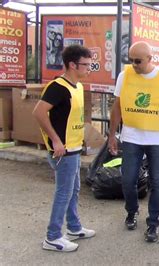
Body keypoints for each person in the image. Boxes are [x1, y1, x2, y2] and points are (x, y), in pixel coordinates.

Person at [108, 41, 159, 243]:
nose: (133, 65)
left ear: (150, 59)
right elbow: (117, 107)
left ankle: (153, 223)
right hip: (131, 137)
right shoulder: (125, 76)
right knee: (128, 179)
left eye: (137, 61)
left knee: (158, 182)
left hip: (157, 139)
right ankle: (132, 211)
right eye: (130, 60)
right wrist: (112, 135)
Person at [33, 44, 96, 252]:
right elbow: (39, 112)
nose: (89, 68)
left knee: (73, 190)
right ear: (72, 65)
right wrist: (56, 140)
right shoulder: (57, 87)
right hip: (63, 151)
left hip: (74, 148)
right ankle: (52, 237)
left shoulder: (76, 86)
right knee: (64, 193)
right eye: (86, 65)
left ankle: (74, 227)